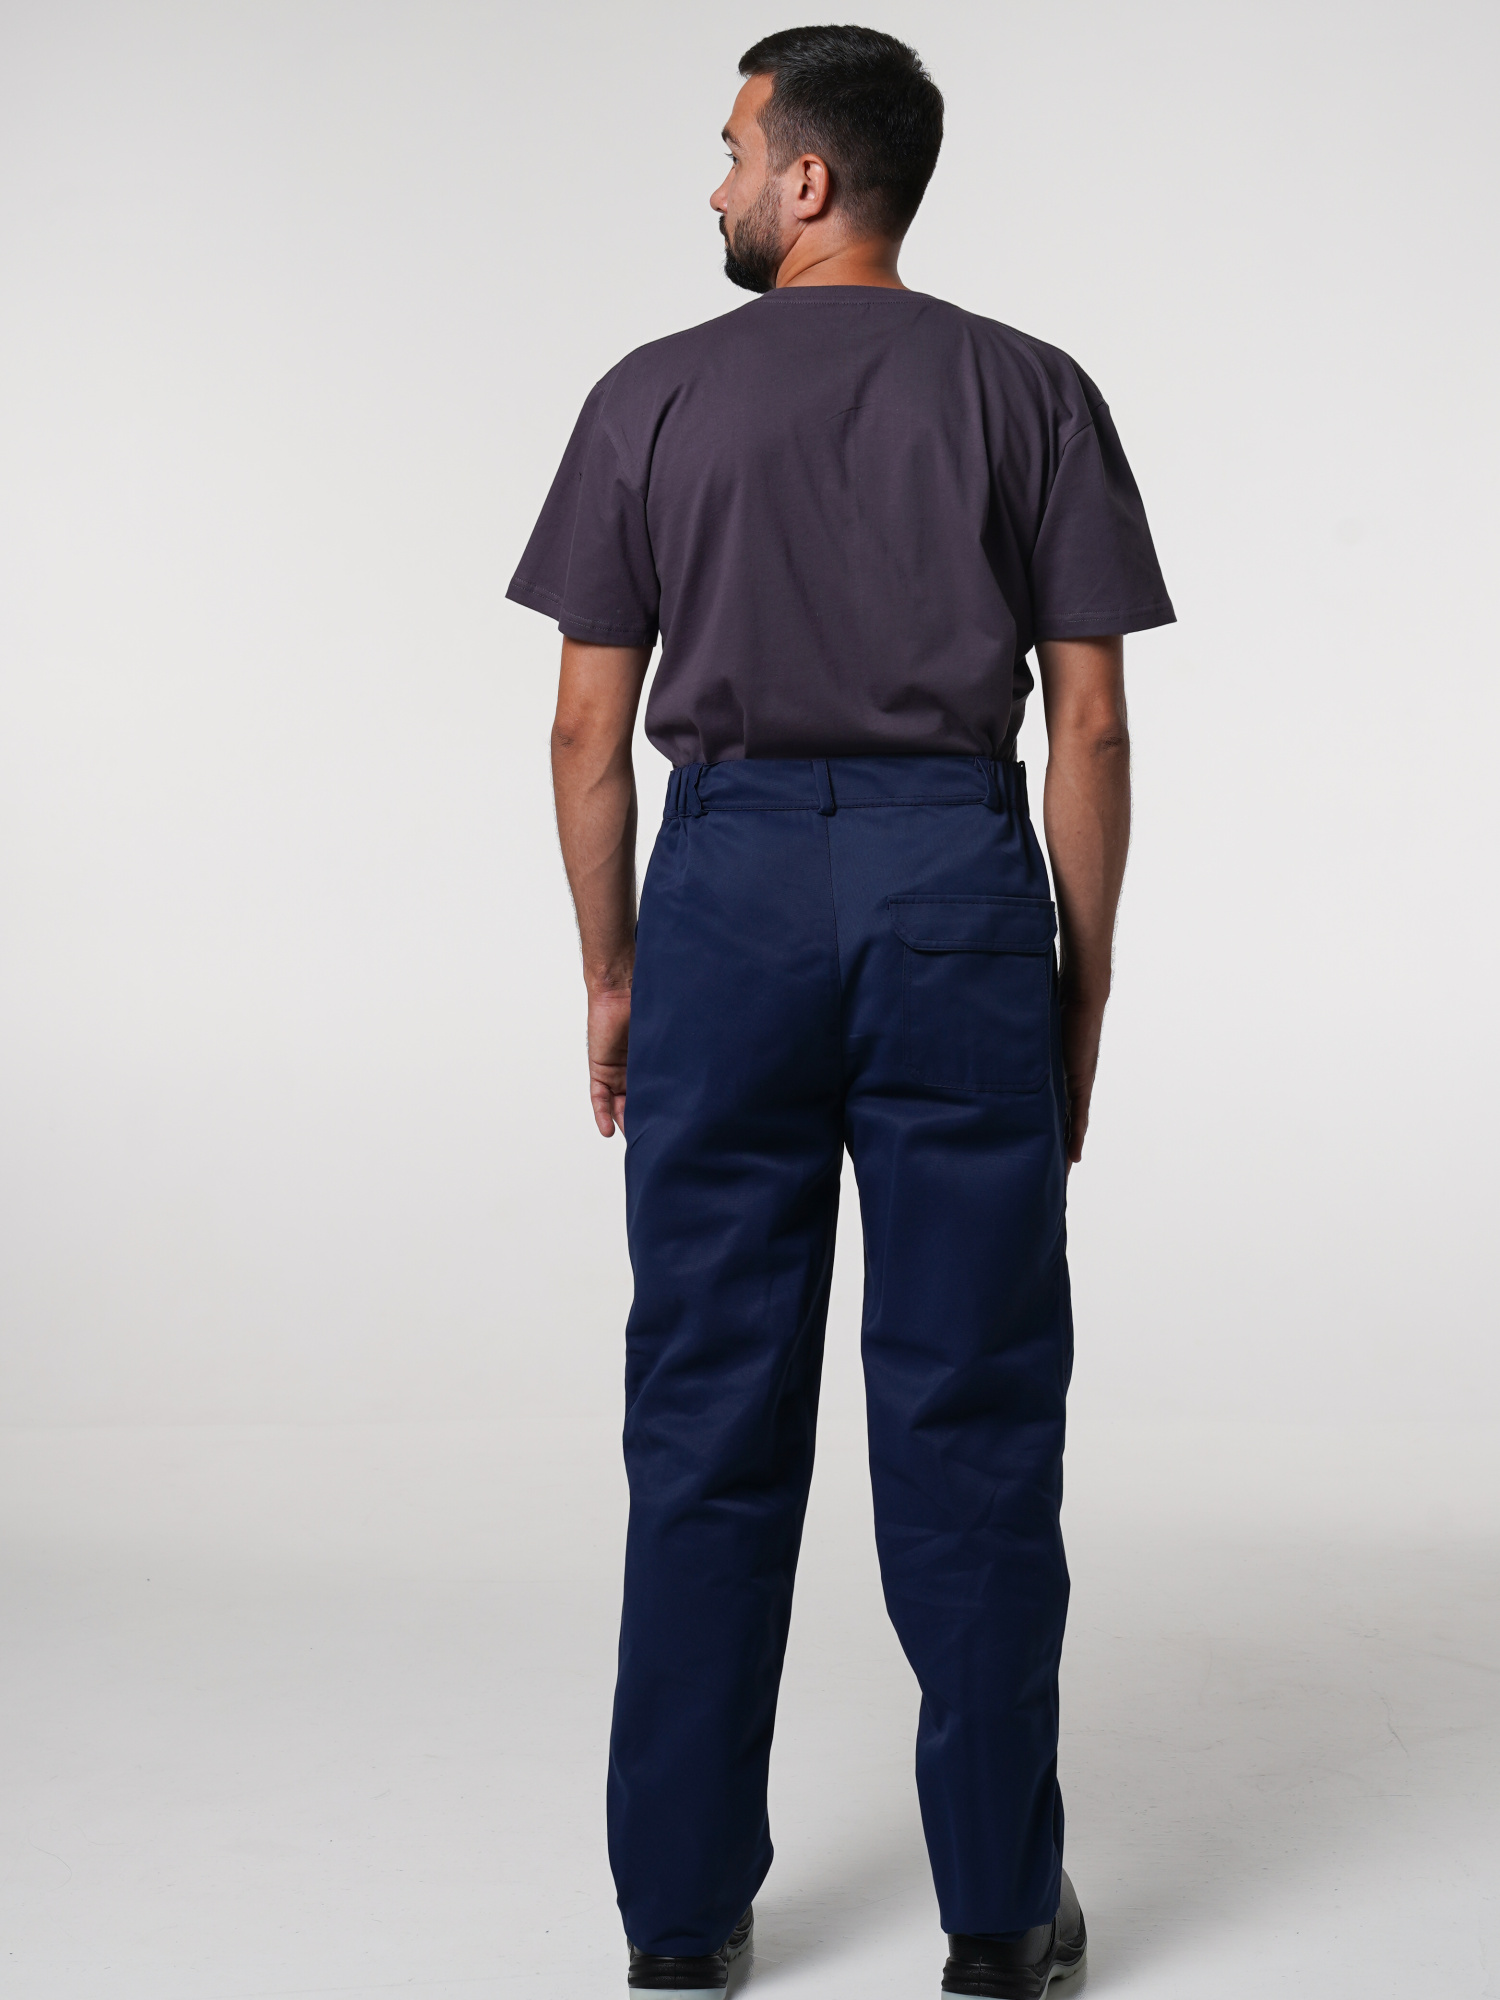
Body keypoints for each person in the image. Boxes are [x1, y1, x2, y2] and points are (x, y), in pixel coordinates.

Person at [506, 25, 1173, 1997]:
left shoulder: (651, 394)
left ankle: (679, 1920)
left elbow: (584, 731)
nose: (714, 182)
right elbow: (1092, 723)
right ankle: (998, 1917)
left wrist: (616, 970)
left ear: (809, 179)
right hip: (954, 893)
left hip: (724, 909)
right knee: (974, 1409)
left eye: (732, 149)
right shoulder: (1030, 390)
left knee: (706, 1413)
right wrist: (1081, 981)